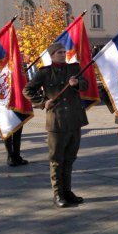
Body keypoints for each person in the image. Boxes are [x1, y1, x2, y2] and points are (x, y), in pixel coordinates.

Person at [23, 42, 88, 208]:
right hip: (57, 122)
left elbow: (86, 85)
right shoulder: (44, 73)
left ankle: (68, 191)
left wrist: (77, 84)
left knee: (70, 159)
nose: (63, 54)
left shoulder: (73, 69)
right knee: (57, 160)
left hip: (74, 120)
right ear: (51, 56)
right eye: (59, 52)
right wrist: (43, 102)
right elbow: (27, 90)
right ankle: (58, 194)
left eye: (64, 52)